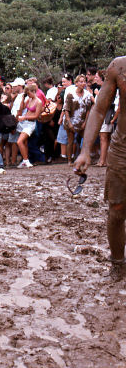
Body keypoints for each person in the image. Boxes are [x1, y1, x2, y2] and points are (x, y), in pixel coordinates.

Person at [74, 56, 126, 279]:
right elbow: (98, 110)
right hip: (122, 147)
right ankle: (117, 264)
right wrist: (85, 150)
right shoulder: (119, 66)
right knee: (116, 211)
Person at [63, 74, 93, 165]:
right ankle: (69, 160)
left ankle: (84, 157)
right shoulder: (70, 94)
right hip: (71, 119)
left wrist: (85, 122)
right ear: (76, 83)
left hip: (82, 120)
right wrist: (69, 122)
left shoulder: (87, 94)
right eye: (80, 81)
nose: (83, 83)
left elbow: (88, 110)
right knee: (71, 141)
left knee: (87, 140)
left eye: (84, 81)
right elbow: (66, 110)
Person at [16, 84, 43, 168]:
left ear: (33, 91)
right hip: (24, 122)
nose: (28, 95)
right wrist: (23, 99)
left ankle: (26, 160)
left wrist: (25, 117)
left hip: (30, 123)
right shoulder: (29, 99)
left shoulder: (38, 102)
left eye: (29, 93)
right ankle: (25, 159)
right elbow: (22, 108)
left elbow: (36, 116)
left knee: (19, 141)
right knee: (24, 142)